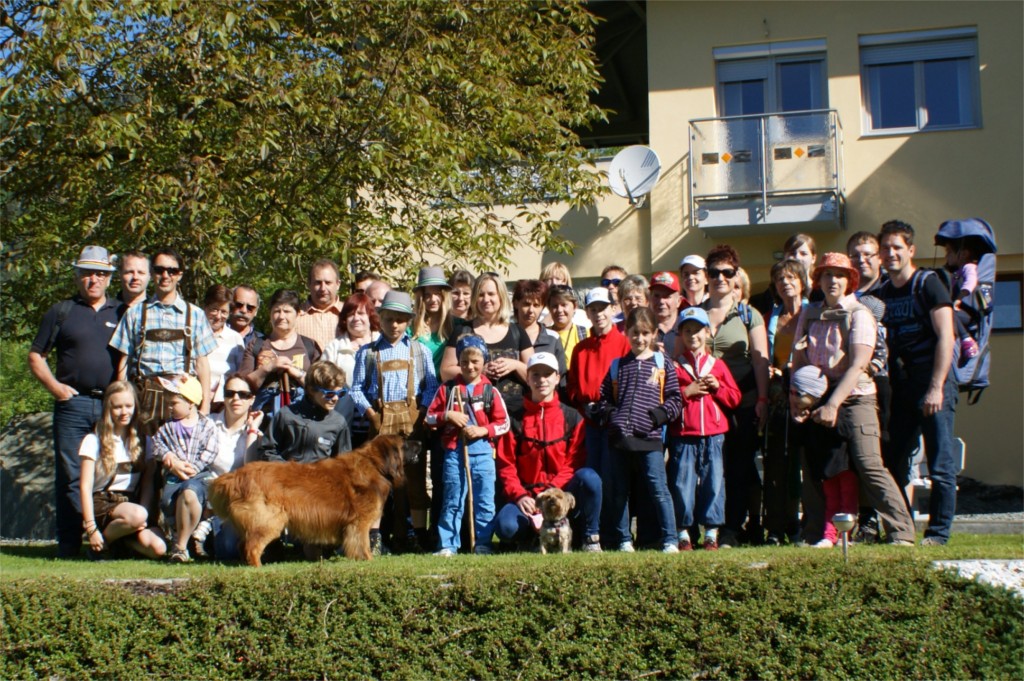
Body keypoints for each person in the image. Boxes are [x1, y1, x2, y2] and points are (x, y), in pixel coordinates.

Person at [791, 252, 916, 547]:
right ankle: (817, 534)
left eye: (839, 275)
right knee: (815, 468)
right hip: (816, 396)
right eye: (827, 274)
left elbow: (859, 363)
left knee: (868, 463)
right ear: (818, 280)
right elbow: (798, 360)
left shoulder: (859, 314)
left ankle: (901, 532)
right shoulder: (809, 313)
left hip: (857, 397)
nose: (833, 280)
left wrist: (833, 404)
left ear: (849, 281)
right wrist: (797, 400)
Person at [29, 245, 124, 557]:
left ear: (109, 277)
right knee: (70, 474)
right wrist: (56, 388)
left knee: (113, 473)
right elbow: (36, 356)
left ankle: (109, 542)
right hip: (73, 405)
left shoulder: (121, 311)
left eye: (100, 274)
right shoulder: (61, 312)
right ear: (77, 276)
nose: (93, 279)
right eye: (87, 273)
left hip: (111, 407)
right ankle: (70, 544)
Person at [878, 220, 957, 546]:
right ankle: (902, 530)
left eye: (897, 247)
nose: (891, 253)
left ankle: (938, 533)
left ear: (910, 250)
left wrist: (936, 387)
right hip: (902, 385)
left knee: (940, 463)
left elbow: (946, 336)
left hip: (933, 380)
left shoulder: (928, 284)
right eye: (885, 248)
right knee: (893, 460)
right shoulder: (883, 292)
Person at [691, 245, 770, 548]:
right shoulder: (695, 313)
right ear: (706, 276)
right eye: (714, 272)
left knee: (738, 467)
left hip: (742, 403)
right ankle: (708, 528)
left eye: (727, 272)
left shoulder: (749, 315)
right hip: (705, 406)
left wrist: (762, 400)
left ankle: (732, 529)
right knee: (709, 470)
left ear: (736, 275)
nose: (720, 278)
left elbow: (760, 361)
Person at [489, 352, 603, 552]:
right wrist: (520, 496)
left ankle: (589, 538)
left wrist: (550, 492)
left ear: (557, 378)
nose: (541, 380)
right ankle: (532, 538)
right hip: (528, 496)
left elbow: (574, 463)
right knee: (506, 527)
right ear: (527, 379)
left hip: (562, 493)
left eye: (547, 374)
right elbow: (506, 465)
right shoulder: (514, 419)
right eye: (535, 375)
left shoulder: (573, 417)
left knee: (590, 478)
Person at [352, 291, 438, 554]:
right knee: (377, 482)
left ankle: (417, 535)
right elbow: (356, 389)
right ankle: (375, 537)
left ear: (409, 321)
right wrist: (371, 414)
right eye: (389, 319)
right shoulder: (368, 353)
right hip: (380, 424)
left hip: (411, 425)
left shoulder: (420, 351)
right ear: (380, 319)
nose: (394, 325)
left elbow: (431, 386)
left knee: (414, 482)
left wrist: (420, 412)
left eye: (400, 320)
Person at [594, 307, 682, 553]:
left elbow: (675, 400)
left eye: (645, 333)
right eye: (634, 333)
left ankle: (670, 539)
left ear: (654, 333)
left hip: (650, 439)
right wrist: (613, 417)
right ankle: (623, 539)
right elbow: (603, 399)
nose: (639, 338)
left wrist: (655, 418)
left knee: (659, 490)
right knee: (619, 492)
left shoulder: (663, 364)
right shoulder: (618, 365)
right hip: (620, 440)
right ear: (626, 332)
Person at [109, 248, 217, 428]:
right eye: (159, 270)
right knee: (140, 446)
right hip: (143, 398)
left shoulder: (195, 314)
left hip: (183, 399)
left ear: (179, 275)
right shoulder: (135, 313)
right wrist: (123, 401)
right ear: (152, 273)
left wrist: (205, 406)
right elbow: (124, 362)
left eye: (172, 270)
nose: (165, 275)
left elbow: (202, 364)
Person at [426, 335, 510, 556]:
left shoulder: (490, 391)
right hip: (455, 452)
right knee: (453, 498)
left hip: (482, 453)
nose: (470, 367)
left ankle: (483, 542)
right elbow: (429, 418)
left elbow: (504, 423)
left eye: (475, 362)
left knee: (484, 500)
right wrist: (447, 415)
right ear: (458, 362)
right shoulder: (448, 389)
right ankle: (448, 544)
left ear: (484, 361)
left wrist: (484, 430)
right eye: (464, 362)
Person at [667, 307, 741, 551]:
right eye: (687, 331)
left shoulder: (717, 365)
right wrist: (686, 393)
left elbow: (735, 398)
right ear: (681, 335)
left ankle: (711, 532)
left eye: (697, 330)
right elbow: (666, 399)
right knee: (682, 484)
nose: (693, 335)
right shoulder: (675, 366)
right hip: (684, 435)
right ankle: (683, 533)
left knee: (714, 483)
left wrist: (718, 387)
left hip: (714, 435)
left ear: (707, 332)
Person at [78, 380, 166, 560]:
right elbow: (85, 487)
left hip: (133, 507)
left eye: (128, 406)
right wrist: (91, 527)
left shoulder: (145, 441)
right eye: (117, 407)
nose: (124, 412)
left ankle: (121, 543)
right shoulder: (93, 440)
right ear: (108, 409)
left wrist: (143, 514)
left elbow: (147, 483)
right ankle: (101, 544)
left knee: (159, 549)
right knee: (137, 515)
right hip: (103, 503)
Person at [761, 258, 810, 546]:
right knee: (777, 464)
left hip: (807, 398)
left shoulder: (814, 313)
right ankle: (776, 527)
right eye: (780, 279)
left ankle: (806, 524)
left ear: (802, 281)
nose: (785, 283)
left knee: (805, 465)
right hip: (778, 397)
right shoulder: (770, 317)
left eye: (791, 277)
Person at [440, 272, 533, 414]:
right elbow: (445, 372)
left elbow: (536, 375)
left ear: (501, 296)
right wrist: (478, 371)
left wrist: (515, 365)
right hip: (473, 413)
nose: (486, 299)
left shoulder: (517, 332)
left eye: (491, 294)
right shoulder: (462, 330)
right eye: (481, 295)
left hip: (515, 413)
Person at [787, 366, 860, 549]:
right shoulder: (805, 414)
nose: (793, 398)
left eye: (798, 393)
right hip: (825, 469)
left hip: (843, 466)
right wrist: (799, 423)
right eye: (791, 392)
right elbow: (797, 441)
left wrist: (830, 421)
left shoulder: (833, 408)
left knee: (847, 500)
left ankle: (845, 535)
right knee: (831, 502)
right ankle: (829, 536)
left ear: (813, 393)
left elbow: (847, 431)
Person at [193, 373, 263, 559]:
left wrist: (252, 430)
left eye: (243, 394)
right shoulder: (208, 423)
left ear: (252, 399)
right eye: (230, 393)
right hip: (207, 494)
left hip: (237, 500)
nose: (235, 399)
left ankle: (211, 534)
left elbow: (250, 467)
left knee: (229, 550)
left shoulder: (256, 431)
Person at [151, 375, 220, 563]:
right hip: (175, 476)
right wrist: (169, 457)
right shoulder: (168, 427)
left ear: (190, 402)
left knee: (191, 492)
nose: (169, 407)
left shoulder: (206, 425)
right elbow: (156, 445)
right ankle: (184, 540)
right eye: (168, 403)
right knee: (170, 500)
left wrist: (194, 468)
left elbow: (211, 449)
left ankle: (181, 546)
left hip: (199, 476)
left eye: (174, 403)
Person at [239, 289, 320, 418]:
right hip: (263, 421)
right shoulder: (256, 345)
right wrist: (269, 367)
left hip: (303, 419)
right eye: (277, 311)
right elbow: (242, 385)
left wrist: (297, 373)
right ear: (270, 314)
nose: (281, 316)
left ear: (298, 314)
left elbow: (320, 387)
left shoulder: (309, 346)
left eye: (287, 311)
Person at [260, 362, 351, 463]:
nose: (336, 398)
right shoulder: (286, 415)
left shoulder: (338, 422)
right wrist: (288, 469)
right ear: (311, 390)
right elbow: (267, 451)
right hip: (286, 472)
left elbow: (343, 462)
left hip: (320, 473)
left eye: (341, 393)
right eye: (329, 394)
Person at [321, 292, 380, 447]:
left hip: (378, 420)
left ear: (370, 316)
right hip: (343, 420)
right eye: (351, 314)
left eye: (361, 313)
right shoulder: (334, 347)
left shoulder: (383, 343)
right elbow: (322, 383)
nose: (356, 318)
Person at [203, 284, 245, 412]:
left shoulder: (235, 339)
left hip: (224, 407)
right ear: (205, 307)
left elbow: (239, 375)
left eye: (224, 312)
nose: (218, 316)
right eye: (214, 309)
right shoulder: (194, 335)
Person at [512, 279, 565, 376]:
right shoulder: (506, 334)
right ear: (516, 303)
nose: (531, 310)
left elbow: (561, 377)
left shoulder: (553, 338)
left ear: (542, 307)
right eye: (526, 304)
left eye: (536, 305)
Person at [295, 259, 343, 352]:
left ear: (338, 284)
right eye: (318, 283)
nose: (323, 288)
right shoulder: (295, 316)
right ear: (309, 284)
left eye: (328, 283)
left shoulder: (351, 314)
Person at [546, 285, 589, 371]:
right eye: (555, 306)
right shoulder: (544, 335)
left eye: (564, 305)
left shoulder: (585, 334)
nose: (559, 310)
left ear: (575, 306)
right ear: (549, 308)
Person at [649, 271, 681, 355]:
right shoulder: (643, 330)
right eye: (656, 296)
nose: (661, 301)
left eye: (667, 296)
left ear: (679, 301)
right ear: (649, 299)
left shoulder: (686, 329)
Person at [847, 232, 886, 296]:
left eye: (867, 254)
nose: (861, 260)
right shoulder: (840, 292)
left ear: (879, 258)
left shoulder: (890, 291)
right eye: (855, 256)